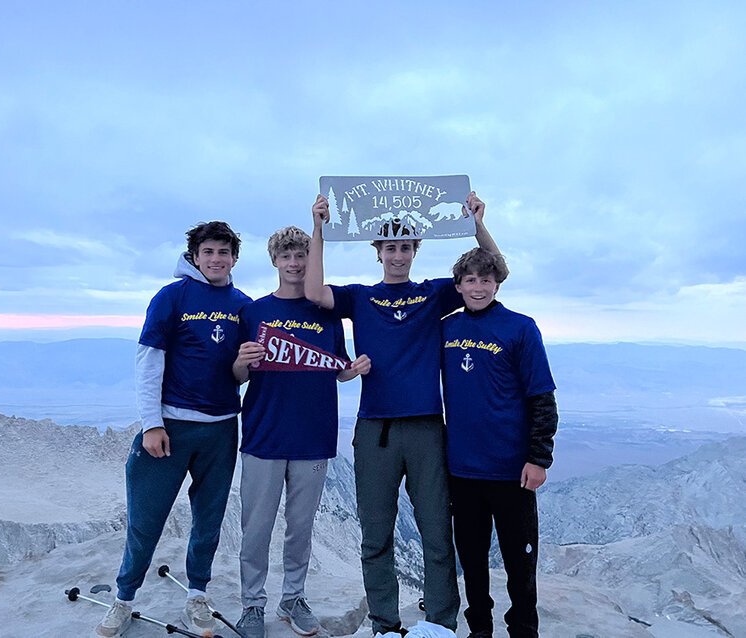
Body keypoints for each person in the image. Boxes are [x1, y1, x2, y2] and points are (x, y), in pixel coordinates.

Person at [304, 191, 499, 638]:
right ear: (378, 253)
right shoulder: (361, 297)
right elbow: (315, 292)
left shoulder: (433, 294)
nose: (397, 254)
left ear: (415, 251)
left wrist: (477, 223)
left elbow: (493, 267)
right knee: (376, 536)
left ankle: (441, 625)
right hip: (376, 429)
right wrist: (318, 229)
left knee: (435, 530)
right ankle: (385, 626)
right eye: (389, 247)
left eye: (405, 246)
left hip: (427, 427)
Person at [97, 221, 251, 638]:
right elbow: (149, 362)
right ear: (194, 256)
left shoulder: (242, 303)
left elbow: (240, 372)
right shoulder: (172, 296)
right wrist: (152, 424)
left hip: (221, 427)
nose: (216, 259)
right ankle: (124, 598)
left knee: (209, 518)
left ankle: (197, 594)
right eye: (208, 252)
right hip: (172, 426)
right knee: (146, 518)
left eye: (224, 252)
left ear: (234, 258)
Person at [231, 226, 371, 638]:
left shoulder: (327, 313)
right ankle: (252, 605)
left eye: (302, 257)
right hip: (263, 434)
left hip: (313, 435)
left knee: (301, 527)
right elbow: (236, 375)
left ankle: (293, 598)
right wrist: (241, 360)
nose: (294, 264)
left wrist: (354, 371)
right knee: (255, 528)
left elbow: (338, 370)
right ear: (274, 261)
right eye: (287, 256)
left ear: (312, 261)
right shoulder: (252, 312)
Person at [441, 247, 558, 638]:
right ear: (457, 285)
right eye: (470, 280)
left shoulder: (520, 328)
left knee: (519, 563)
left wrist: (539, 458)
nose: (478, 287)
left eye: (486, 279)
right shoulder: (447, 329)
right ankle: (480, 629)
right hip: (462, 469)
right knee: (471, 560)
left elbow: (542, 397)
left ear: (498, 283)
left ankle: (523, 629)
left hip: (512, 470)